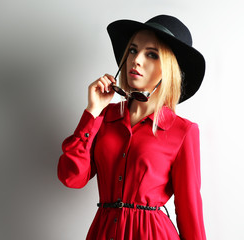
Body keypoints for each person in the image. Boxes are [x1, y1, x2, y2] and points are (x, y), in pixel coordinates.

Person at [57, 15, 206, 239]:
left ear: (168, 69)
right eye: (134, 50)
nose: (136, 60)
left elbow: (190, 212)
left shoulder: (183, 132)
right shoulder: (105, 117)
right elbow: (71, 177)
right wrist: (92, 112)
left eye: (152, 55)